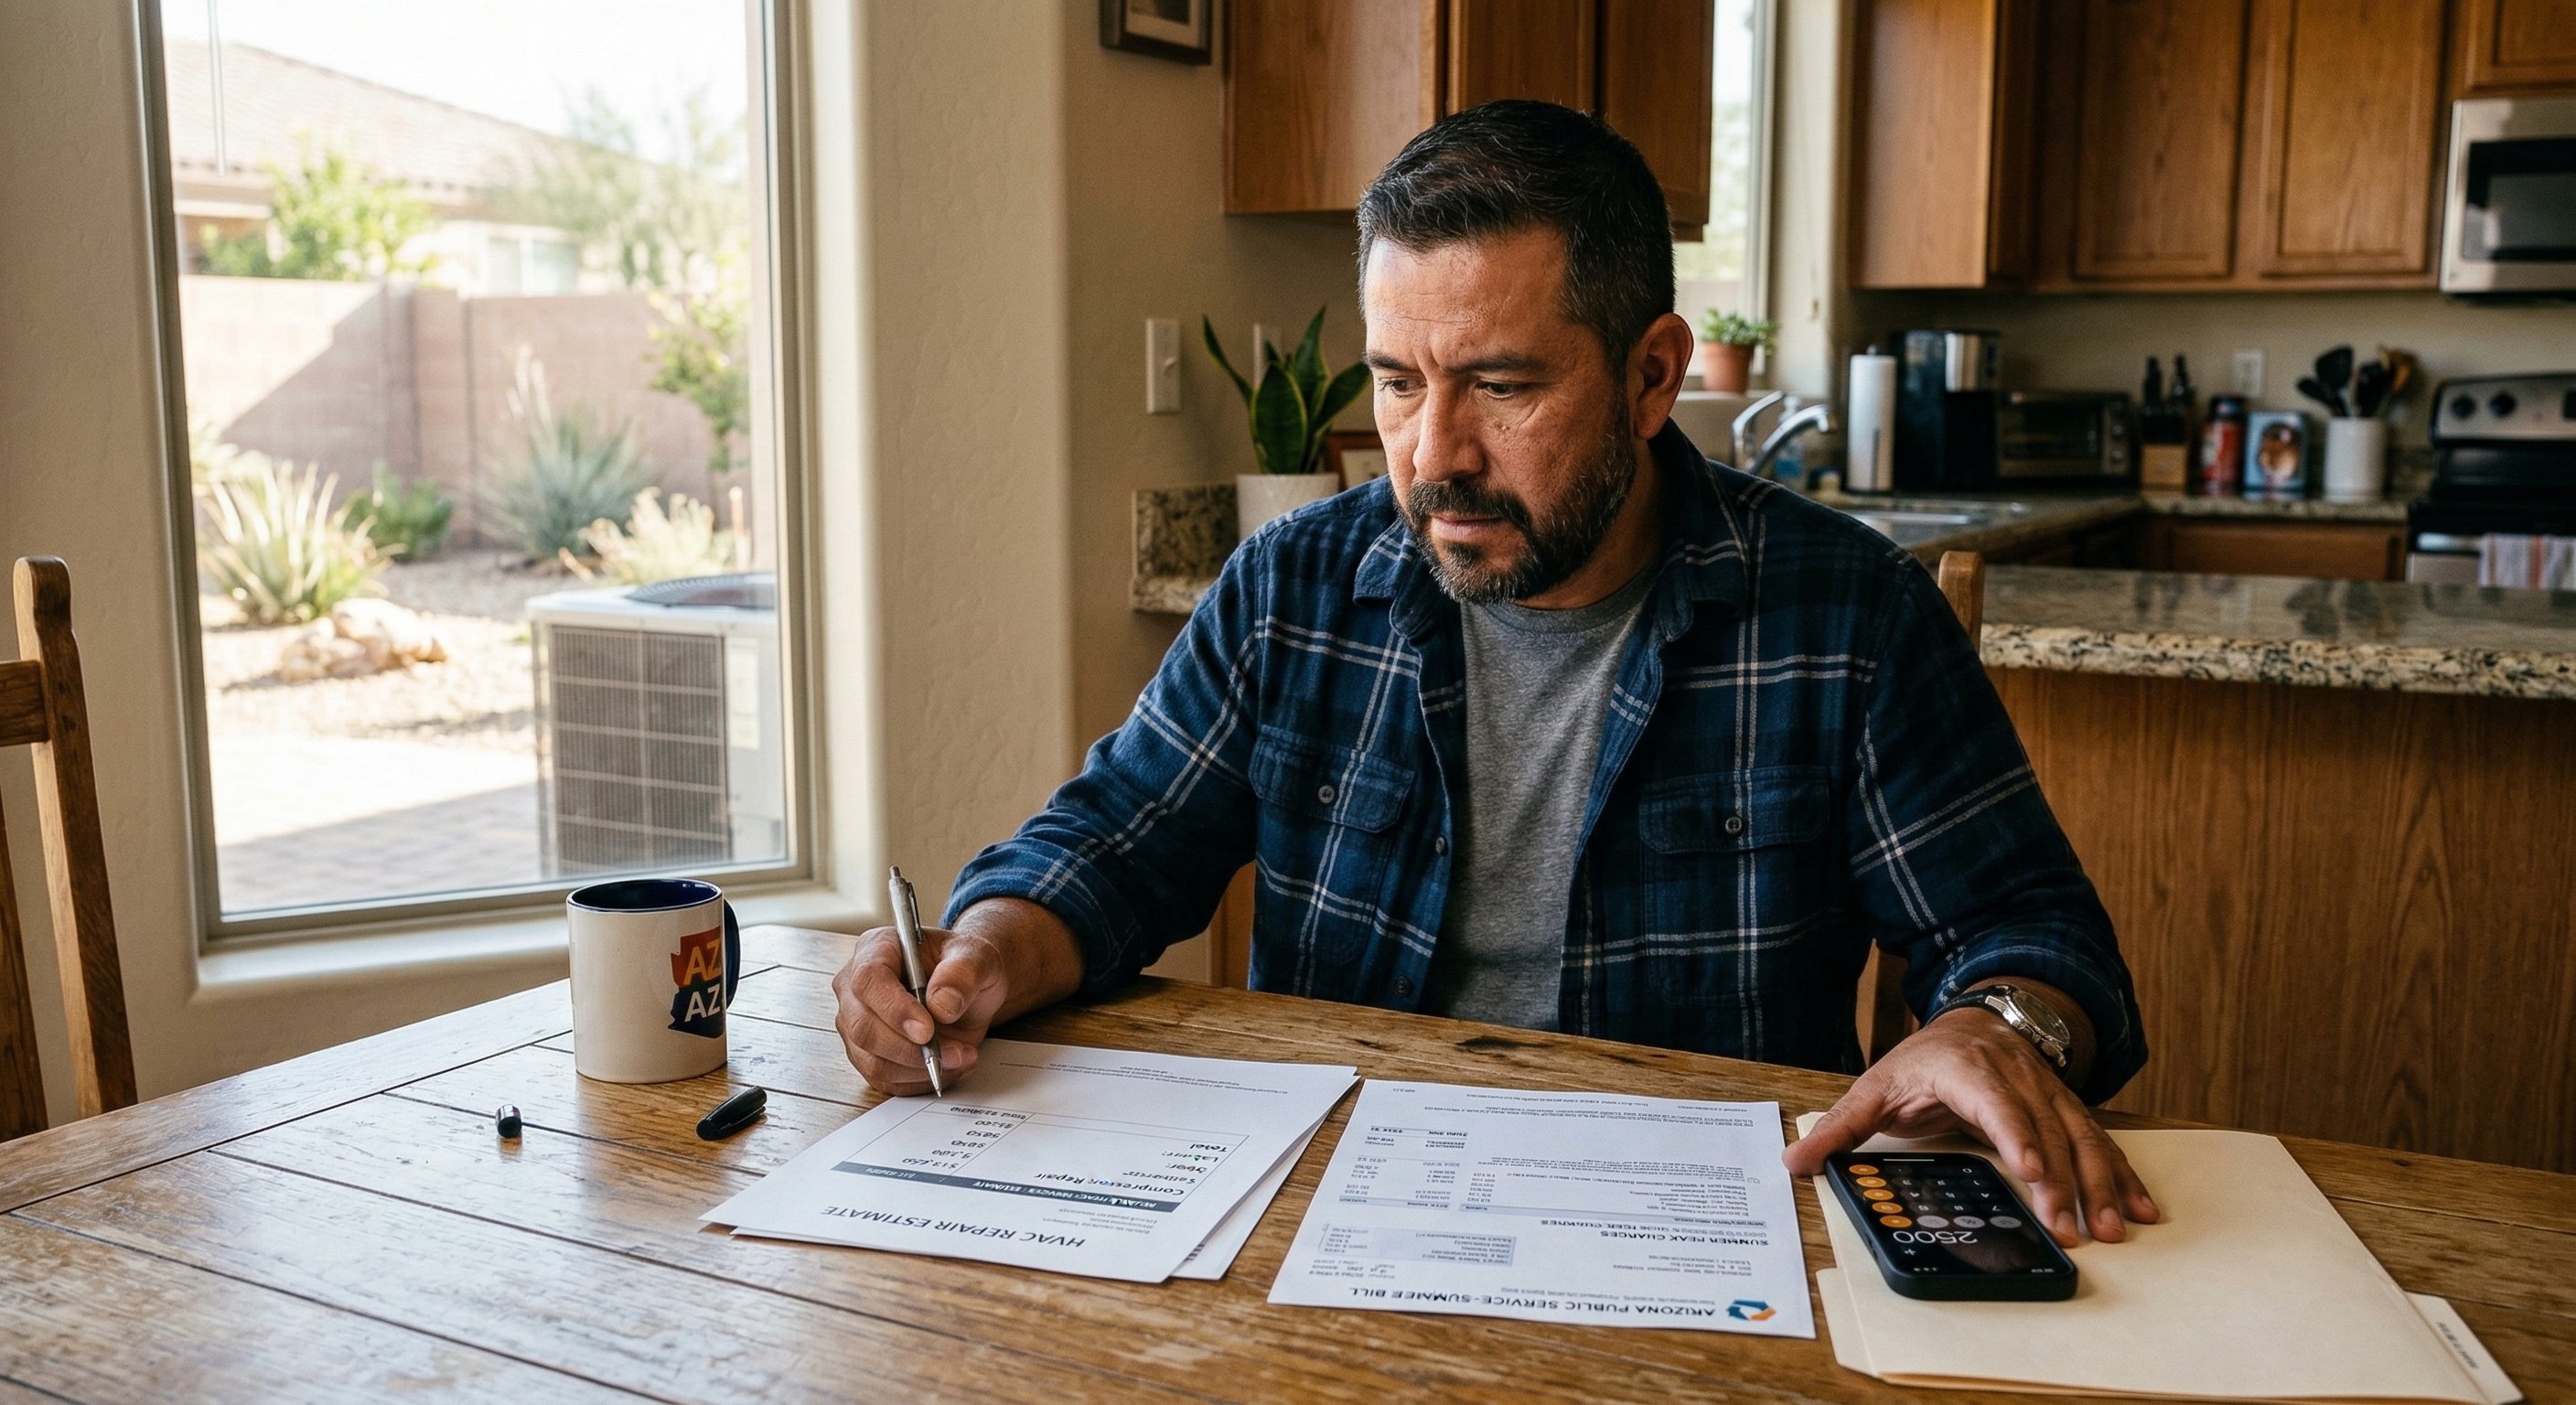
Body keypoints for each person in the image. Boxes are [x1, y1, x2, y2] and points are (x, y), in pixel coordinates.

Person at [835, 100, 2157, 1247]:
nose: (1434, 455)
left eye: (1503, 386)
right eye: (1398, 384)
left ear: (1651, 376)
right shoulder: (1293, 586)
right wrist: (982, 955)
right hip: (1329, 1208)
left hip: (1703, 1234)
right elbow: (1117, 841)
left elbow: (2034, 942)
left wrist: (2002, 1028)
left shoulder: (1847, 614)